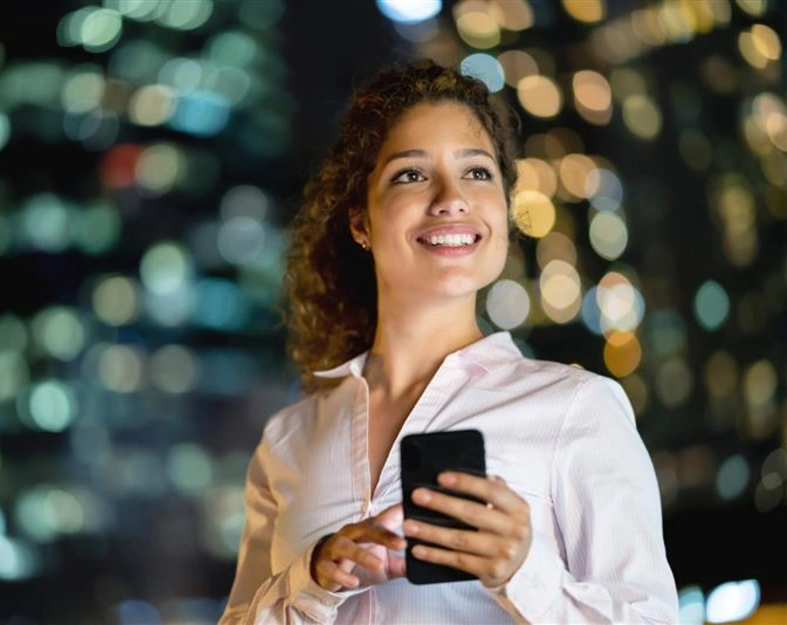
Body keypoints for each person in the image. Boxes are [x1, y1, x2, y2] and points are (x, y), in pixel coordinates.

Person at [218, 59, 678, 624]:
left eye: (478, 173)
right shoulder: (288, 439)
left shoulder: (578, 408)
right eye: (411, 174)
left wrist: (521, 569)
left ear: (504, 211)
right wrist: (312, 577)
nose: (451, 197)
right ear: (360, 221)